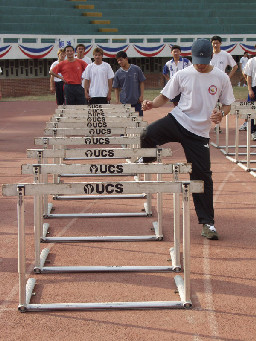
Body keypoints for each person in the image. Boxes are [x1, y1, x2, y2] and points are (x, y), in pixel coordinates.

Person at [141, 39, 235, 240]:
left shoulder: (221, 78)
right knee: (147, 134)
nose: (200, 65)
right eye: (196, 61)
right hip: (178, 120)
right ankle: (146, 161)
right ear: (191, 57)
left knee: (202, 177)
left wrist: (221, 114)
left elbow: (227, 104)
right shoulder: (182, 74)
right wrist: (152, 105)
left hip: (199, 132)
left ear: (211, 57)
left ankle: (207, 223)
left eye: (203, 61)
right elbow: (165, 96)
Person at [210, 35, 238, 133]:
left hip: (221, 84)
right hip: (210, 84)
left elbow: (235, 66)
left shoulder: (225, 55)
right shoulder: (209, 55)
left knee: (221, 104)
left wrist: (228, 77)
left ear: (220, 44)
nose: (215, 45)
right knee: (211, 104)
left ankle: (218, 125)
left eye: (217, 43)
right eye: (213, 43)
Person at [113, 50, 146, 116]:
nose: (119, 62)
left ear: (126, 59)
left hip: (136, 100)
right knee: (126, 122)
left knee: (139, 120)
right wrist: (117, 100)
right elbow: (116, 88)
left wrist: (141, 95)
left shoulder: (136, 69)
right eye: (118, 61)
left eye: (121, 60)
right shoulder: (118, 73)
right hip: (124, 102)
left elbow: (141, 82)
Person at [244, 56, 256, 140]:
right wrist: (250, 89)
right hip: (254, 88)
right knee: (252, 111)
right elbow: (247, 75)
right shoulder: (252, 61)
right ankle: (253, 131)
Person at [238, 52, 249, 131]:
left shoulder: (248, 59)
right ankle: (246, 123)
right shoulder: (251, 60)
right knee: (249, 105)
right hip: (253, 86)